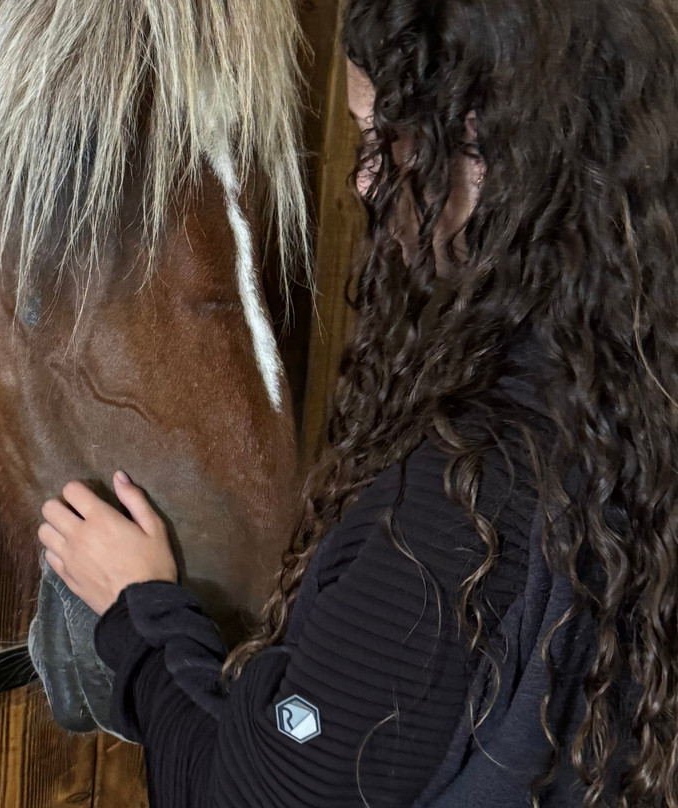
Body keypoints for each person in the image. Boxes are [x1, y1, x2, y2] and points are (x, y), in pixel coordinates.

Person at [37, 0, 678, 805]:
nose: (363, 177)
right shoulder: (623, 409)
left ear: (480, 143)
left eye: (381, 137)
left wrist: (142, 613)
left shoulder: (459, 507)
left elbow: (250, 797)